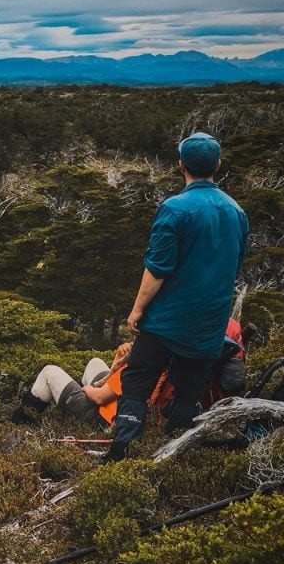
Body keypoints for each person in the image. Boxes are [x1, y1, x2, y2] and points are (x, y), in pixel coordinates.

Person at [104, 132, 249, 462]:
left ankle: (121, 451)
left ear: (180, 165)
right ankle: (174, 455)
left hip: (166, 320)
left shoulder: (175, 208)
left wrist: (137, 310)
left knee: (138, 381)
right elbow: (235, 264)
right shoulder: (236, 212)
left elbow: (158, 268)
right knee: (189, 390)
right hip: (209, 323)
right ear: (218, 165)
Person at [12, 342, 132, 429]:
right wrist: (119, 360)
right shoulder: (148, 359)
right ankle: (75, 402)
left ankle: (19, 424)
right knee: (95, 363)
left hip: (102, 419)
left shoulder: (137, 368)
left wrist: (87, 390)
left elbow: (99, 397)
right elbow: (119, 386)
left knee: (49, 372)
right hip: (121, 411)